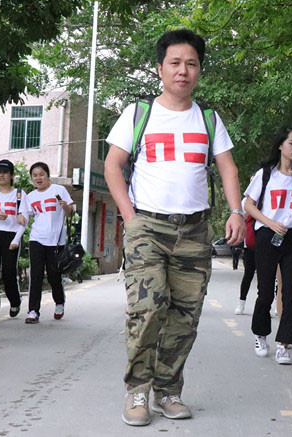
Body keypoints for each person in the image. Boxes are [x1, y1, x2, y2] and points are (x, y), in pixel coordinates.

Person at [104, 29, 245, 427]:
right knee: (148, 308)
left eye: (191, 64)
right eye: (175, 63)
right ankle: (137, 390)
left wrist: (236, 211)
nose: (183, 71)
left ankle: (169, 391)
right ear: (160, 68)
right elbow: (113, 165)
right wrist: (130, 217)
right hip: (147, 226)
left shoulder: (209, 118)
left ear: (199, 70)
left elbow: (227, 168)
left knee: (185, 315)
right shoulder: (138, 113)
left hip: (195, 231)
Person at [243, 127, 292, 365]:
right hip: (268, 235)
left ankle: (284, 344)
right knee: (266, 290)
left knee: (290, 291)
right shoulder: (266, 174)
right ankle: (261, 335)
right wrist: (270, 222)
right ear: (281, 145)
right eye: (291, 143)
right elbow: (250, 205)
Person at [24, 161, 75, 324]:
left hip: (56, 241)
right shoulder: (30, 196)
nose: (38, 178)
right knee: (36, 275)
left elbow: (70, 213)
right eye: (34, 175)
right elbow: (25, 216)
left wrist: (66, 207)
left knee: (54, 276)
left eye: (41, 174)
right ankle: (33, 311)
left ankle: (59, 302)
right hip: (36, 238)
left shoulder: (59, 190)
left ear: (48, 175)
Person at [0, 159, 30, 320]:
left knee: (8, 273)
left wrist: (16, 240)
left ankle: (15, 301)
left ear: (11, 175)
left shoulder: (19, 194)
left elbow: (24, 220)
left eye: (5, 172)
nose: (1, 175)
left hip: (11, 236)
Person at [234, 213, 256, 315]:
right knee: (248, 275)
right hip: (250, 245)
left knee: (264, 277)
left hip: (265, 244)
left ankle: (264, 306)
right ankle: (241, 302)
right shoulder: (246, 203)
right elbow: (241, 219)